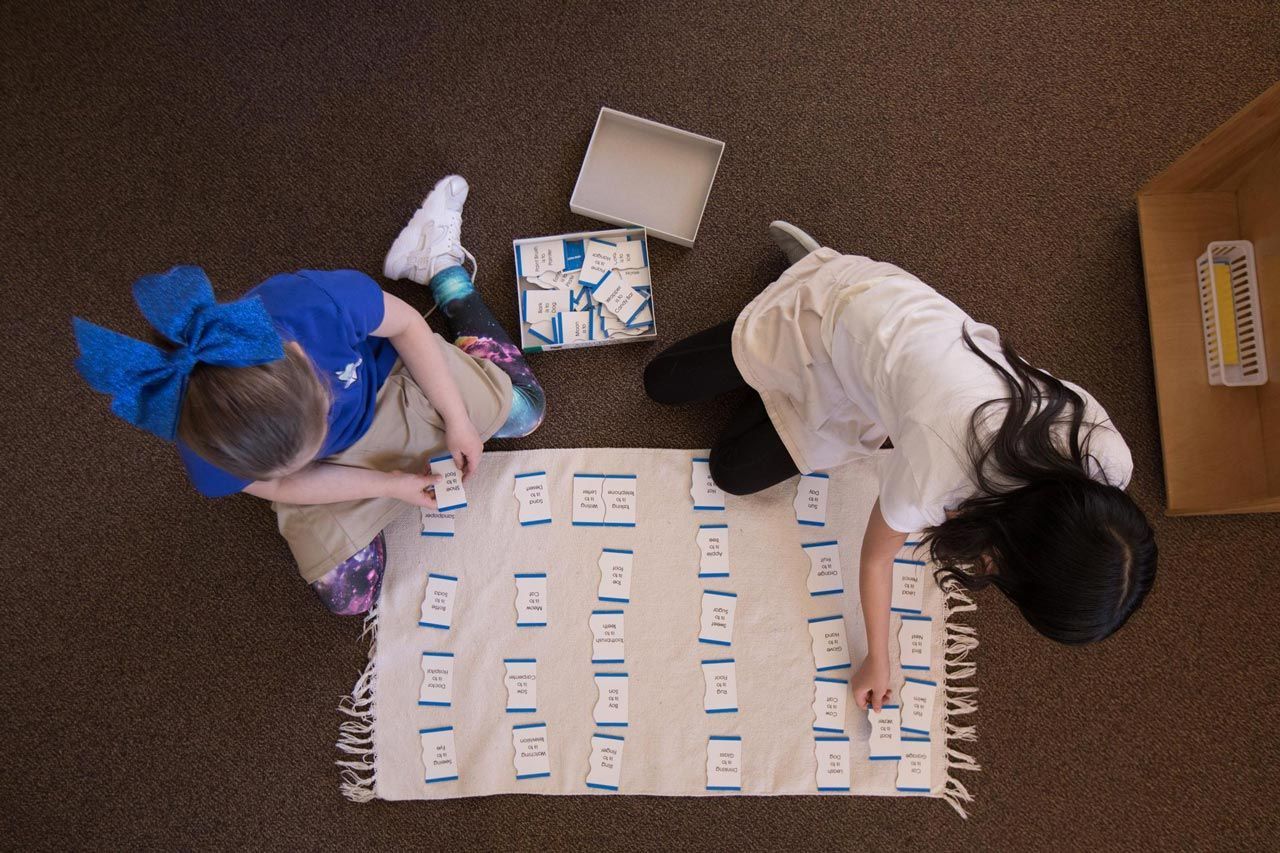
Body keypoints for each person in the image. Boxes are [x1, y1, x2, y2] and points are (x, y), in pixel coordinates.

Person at [644, 222, 1157, 709]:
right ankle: (811, 272)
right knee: (662, 384)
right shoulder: (942, 472)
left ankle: (782, 380)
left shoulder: (1109, 462)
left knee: (731, 472)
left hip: (884, 382)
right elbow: (875, 559)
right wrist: (878, 659)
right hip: (842, 313)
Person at [73, 175, 544, 615]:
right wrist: (388, 486)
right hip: (331, 477)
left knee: (525, 412)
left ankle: (439, 267)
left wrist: (456, 417)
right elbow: (283, 486)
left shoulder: (316, 303)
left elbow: (405, 325)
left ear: (305, 361)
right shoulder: (207, 442)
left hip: (391, 385)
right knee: (351, 598)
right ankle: (361, 491)